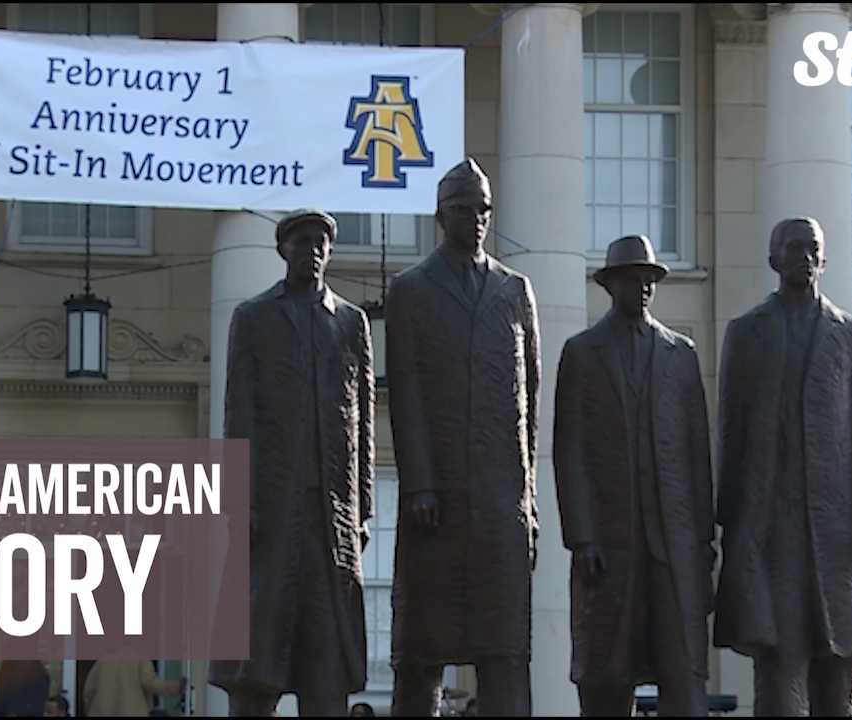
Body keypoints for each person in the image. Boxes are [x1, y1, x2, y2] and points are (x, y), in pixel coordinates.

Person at [387, 158, 541, 717]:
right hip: (438, 499)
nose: (474, 219)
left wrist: (527, 498)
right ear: (439, 215)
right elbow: (405, 393)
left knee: (505, 649)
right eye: (461, 209)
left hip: (502, 499)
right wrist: (420, 485)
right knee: (422, 648)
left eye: (482, 210)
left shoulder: (515, 290)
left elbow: (533, 398)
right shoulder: (411, 290)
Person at [713, 217, 852, 716]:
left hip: (834, 531)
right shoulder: (747, 333)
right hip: (772, 528)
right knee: (780, 664)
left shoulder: (847, 333)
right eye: (794, 248)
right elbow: (731, 428)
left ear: (824, 260)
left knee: (838, 665)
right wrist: (731, 523)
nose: (805, 258)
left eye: (813, 249)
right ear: (773, 259)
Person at [208, 209, 375, 716]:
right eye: (303, 242)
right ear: (284, 250)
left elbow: (364, 422)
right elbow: (239, 412)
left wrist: (363, 509)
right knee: (256, 666)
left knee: (326, 670)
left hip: (332, 521)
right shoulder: (255, 317)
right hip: (274, 514)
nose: (314, 251)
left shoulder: (350, 322)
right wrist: (243, 500)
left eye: (322, 242)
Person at [554, 235, 715, 716]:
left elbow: (696, 455)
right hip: (610, 543)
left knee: (682, 671)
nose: (643, 288)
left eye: (650, 280)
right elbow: (571, 452)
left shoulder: (679, 354)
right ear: (612, 284)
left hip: (673, 545)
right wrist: (582, 538)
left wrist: (703, 542)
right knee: (607, 675)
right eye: (633, 279)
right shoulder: (583, 353)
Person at [84, 660, 184, 717]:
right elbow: (152, 684)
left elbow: (88, 694)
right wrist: (178, 686)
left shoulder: (101, 662)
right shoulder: (140, 660)